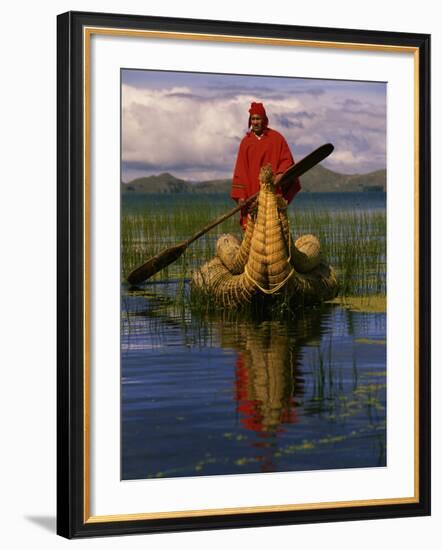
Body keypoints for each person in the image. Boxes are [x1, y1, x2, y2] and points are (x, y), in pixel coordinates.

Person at [231, 102, 301, 228]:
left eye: (258, 118)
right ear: (250, 121)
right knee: (254, 236)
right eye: (253, 119)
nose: (255, 122)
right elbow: (240, 171)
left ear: (264, 120)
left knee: (274, 233)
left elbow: (286, 160)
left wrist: (280, 174)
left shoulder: (277, 138)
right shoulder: (245, 143)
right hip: (252, 196)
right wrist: (241, 197)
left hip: (272, 195)